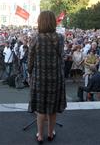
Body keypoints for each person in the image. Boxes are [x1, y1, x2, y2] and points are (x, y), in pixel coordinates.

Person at [28, 11, 66, 143]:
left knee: (40, 109)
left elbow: (30, 59)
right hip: (56, 78)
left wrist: (29, 72)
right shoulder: (60, 38)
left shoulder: (36, 38)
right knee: (52, 108)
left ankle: (40, 135)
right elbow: (62, 56)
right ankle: (50, 134)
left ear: (40, 22)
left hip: (39, 78)